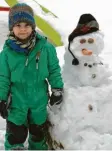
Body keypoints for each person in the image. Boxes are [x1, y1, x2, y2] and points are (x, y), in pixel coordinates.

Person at [0, 3, 64, 150]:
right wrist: (1, 98)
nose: (23, 29)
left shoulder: (46, 48)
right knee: (16, 134)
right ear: (12, 27)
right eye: (18, 25)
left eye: (27, 25)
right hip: (16, 103)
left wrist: (57, 88)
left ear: (33, 26)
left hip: (39, 102)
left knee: (38, 133)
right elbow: (2, 78)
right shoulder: (6, 54)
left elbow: (54, 70)